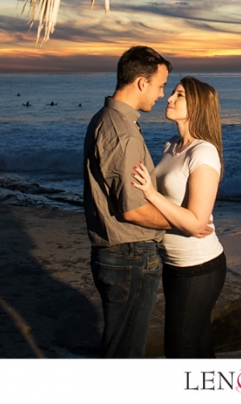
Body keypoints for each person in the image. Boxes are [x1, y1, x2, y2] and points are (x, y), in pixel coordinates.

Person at [82, 45, 175, 358]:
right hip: (130, 255)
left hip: (118, 254)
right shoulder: (123, 133)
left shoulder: (106, 119)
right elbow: (133, 209)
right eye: (160, 86)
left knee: (120, 347)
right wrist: (183, 223)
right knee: (126, 353)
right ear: (141, 82)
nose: (161, 95)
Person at [131, 76, 227, 358]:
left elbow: (196, 222)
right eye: (172, 92)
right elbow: (179, 211)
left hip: (198, 266)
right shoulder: (171, 145)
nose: (169, 98)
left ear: (198, 105)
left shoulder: (204, 152)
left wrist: (151, 194)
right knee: (198, 348)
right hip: (173, 262)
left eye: (179, 95)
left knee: (179, 350)